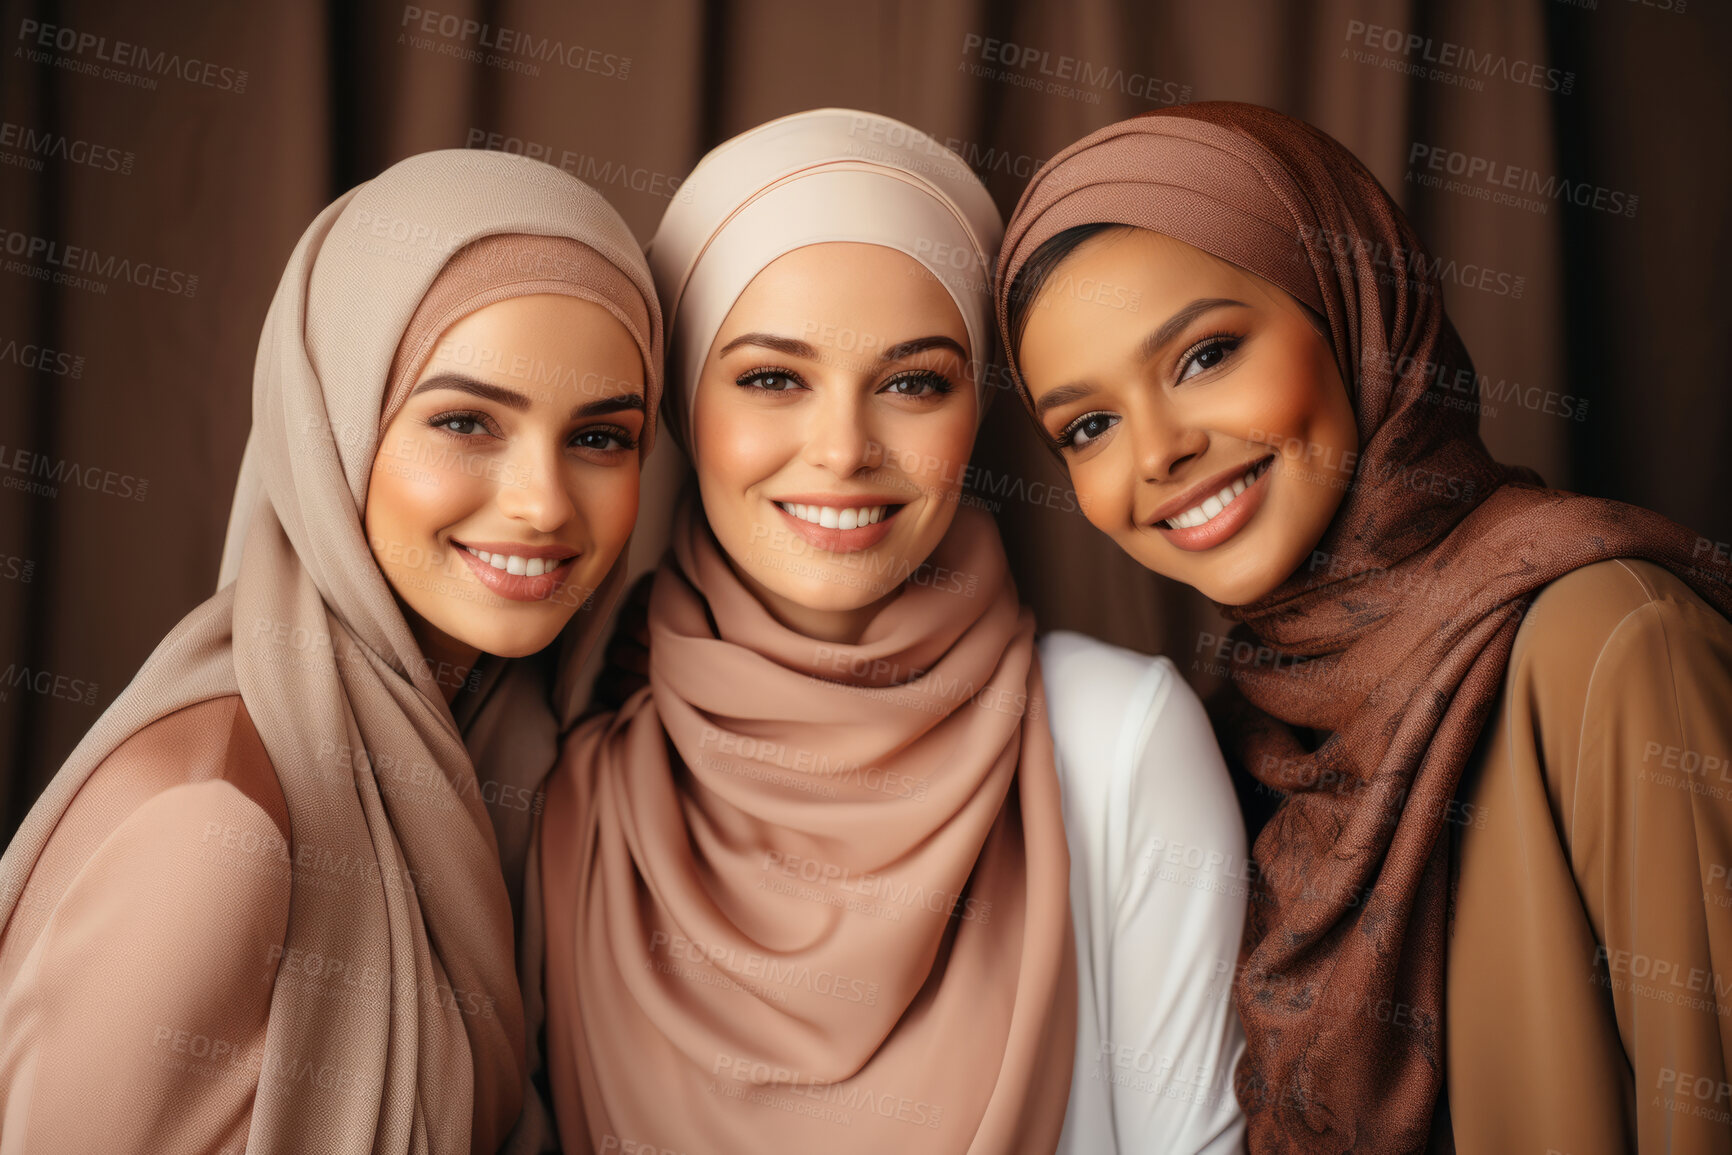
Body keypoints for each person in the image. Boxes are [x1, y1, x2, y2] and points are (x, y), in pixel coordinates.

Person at [998, 100, 1732, 1153]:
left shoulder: (1608, 645)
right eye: (1090, 425)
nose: (1155, 452)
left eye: (1203, 356)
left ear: (1352, 310)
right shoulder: (1242, 733)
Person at [532, 108, 1248, 1155]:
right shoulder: (570, 792)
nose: (843, 450)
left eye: (913, 382)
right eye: (772, 378)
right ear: (682, 405)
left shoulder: (1115, 741)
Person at [0, 148, 663, 1155]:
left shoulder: (504, 758)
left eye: (601, 438)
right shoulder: (209, 835)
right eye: (464, 421)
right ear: (332, 429)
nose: (543, 504)